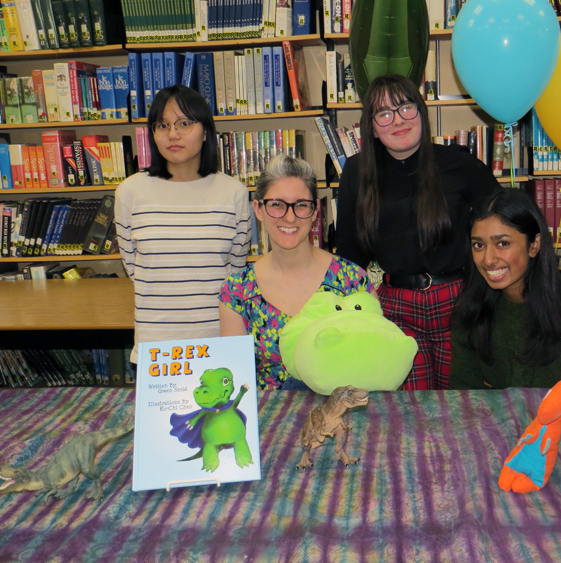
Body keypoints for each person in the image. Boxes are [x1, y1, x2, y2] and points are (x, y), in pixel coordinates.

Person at [336, 74, 499, 391]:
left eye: (405, 107)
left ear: (421, 112)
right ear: (371, 127)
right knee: (410, 415)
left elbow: (504, 224)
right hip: (396, 310)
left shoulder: (457, 163)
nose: (397, 120)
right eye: (384, 113)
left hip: (457, 305)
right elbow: (348, 256)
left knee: (462, 407)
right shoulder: (357, 172)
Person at [114, 84, 251, 364]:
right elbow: (133, 267)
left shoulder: (233, 192)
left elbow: (235, 270)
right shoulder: (130, 192)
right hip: (157, 346)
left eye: (184, 123)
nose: (173, 134)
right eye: (162, 125)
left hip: (218, 341)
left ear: (206, 132)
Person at [219, 155, 374, 390]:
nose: (289, 217)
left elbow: (372, 362)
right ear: (258, 209)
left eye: (301, 205)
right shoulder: (237, 291)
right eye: (277, 204)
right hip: (268, 421)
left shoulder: (352, 280)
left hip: (342, 420)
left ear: (314, 212)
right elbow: (234, 379)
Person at [450, 188, 561, 389]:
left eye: (503, 243)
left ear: (534, 245)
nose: (488, 259)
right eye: (478, 246)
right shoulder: (471, 309)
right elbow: (462, 395)